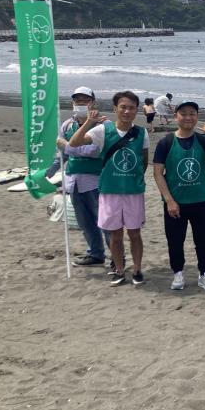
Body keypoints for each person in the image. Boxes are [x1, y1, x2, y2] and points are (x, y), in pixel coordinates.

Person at [69, 91, 149, 287]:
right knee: (115, 234)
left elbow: (144, 161)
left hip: (133, 191)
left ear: (136, 110)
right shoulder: (103, 131)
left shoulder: (142, 132)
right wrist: (89, 122)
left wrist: (131, 178)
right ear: (115, 109)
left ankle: (137, 269)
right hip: (109, 191)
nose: (127, 111)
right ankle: (119, 270)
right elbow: (74, 143)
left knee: (135, 233)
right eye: (123, 107)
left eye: (131, 107)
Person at [153, 101, 205, 291]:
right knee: (175, 240)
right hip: (176, 202)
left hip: (201, 200)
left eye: (192, 113)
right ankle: (178, 274)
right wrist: (169, 200)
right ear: (176, 116)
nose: (188, 117)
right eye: (183, 113)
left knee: (204, 240)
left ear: (196, 117)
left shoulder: (203, 140)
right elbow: (158, 173)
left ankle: (204, 273)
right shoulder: (166, 142)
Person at [55, 86, 111, 267]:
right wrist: (45, 173)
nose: (81, 103)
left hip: (97, 181)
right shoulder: (67, 125)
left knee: (105, 222)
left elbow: (95, 152)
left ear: (92, 102)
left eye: (85, 100)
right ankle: (95, 254)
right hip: (73, 181)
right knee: (85, 223)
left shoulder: (104, 125)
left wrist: (68, 146)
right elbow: (61, 156)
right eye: (77, 100)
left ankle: (117, 258)